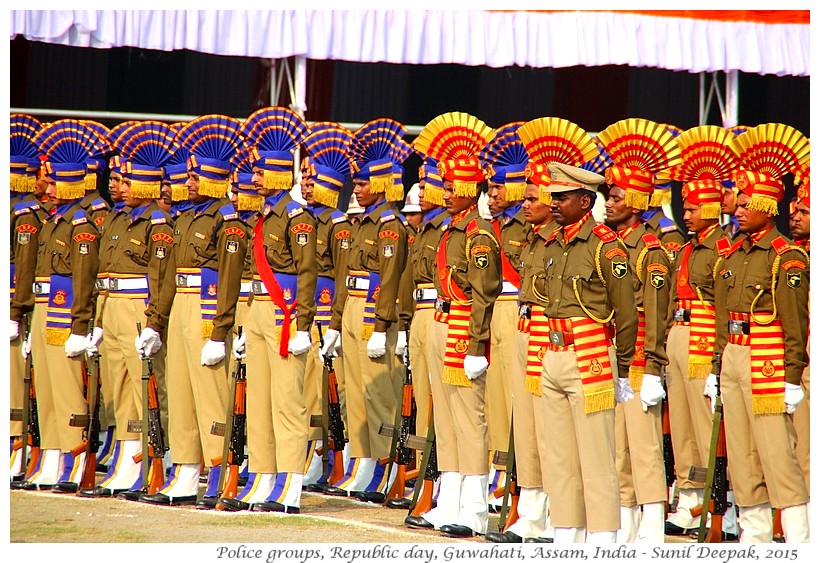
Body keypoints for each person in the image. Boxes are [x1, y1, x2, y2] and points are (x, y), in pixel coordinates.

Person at [139, 115, 246, 506]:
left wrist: (220, 332)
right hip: (181, 307)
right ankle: (185, 472)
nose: (189, 182)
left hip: (205, 310)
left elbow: (230, 280)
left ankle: (218, 471)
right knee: (181, 391)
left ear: (215, 178)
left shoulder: (228, 221)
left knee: (210, 394)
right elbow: (168, 278)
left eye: (196, 176)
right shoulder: (184, 218)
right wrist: (155, 323)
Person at [711, 124, 810, 542]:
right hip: (733, 354)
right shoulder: (733, 254)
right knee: (741, 450)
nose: (738, 209)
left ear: (768, 207)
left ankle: (799, 533)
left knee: (774, 449)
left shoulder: (786, 258)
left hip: (765, 356)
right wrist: (717, 367)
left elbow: (794, 323)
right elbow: (720, 316)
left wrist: (791, 376)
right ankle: (754, 534)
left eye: (747, 204)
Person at [409, 111, 500, 538]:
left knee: (470, 418)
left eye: (449, 187)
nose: (443, 194)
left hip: (465, 328)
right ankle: (451, 499)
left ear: (467, 188)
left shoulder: (478, 234)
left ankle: (476, 506)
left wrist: (478, 346)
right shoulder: (452, 229)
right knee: (445, 418)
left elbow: (484, 293)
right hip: (444, 322)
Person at [539, 161, 638, 543]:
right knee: (560, 454)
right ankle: (567, 531)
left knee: (597, 455)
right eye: (554, 198)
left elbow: (626, 310)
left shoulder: (604, 245)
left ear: (585, 200)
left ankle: (602, 536)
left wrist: (625, 368)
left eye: (562, 198)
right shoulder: (554, 243)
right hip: (553, 351)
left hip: (591, 352)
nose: (555, 204)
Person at [225, 107, 316, 514]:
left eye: (261, 173)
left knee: (285, 400)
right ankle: (263, 475)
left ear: (279, 175)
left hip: (285, 314)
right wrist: (244, 321)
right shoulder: (263, 216)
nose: (254, 178)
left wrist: (304, 325)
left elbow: (309, 272)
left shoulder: (297, 218)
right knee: (259, 399)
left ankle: (291, 482)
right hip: (258, 309)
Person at [78, 122, 177, 498]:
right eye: (117, 179)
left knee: (143, 388)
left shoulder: (157, 222)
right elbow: (103, 271)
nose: (119, 186)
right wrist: (99, 321)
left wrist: (154, 322)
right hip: (112, 306)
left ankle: (148, 463)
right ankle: (125, 457)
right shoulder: (118, 218)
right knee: (118, 389)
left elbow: (160, 276)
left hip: (138, 308)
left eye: (126, 180)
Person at [596, 118, 680, 542]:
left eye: (614, 197)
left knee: (644, 445)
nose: (607, 204)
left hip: (638, 358)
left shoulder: (650, 250)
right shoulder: (611, 243)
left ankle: (651, 524)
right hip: (612, 352)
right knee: (618, 443)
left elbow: (657, 312)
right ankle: (626, 518)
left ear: (634, 199)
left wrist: (651, 367)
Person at [320, 118, 410, 502]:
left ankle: (388, 466)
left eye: (363, 183)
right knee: (354, 391)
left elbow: (389, 280)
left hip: (376, 313)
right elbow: (345, 278)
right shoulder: (361, 224)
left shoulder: (390, 225)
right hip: (353, 307)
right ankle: (365, 463)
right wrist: (337, 323)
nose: (356, 189)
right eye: (355, 183)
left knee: (379, 395)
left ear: (384, 183)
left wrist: (381, 324)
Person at [12, 119, 103, 493]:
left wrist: (80, 327)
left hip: (65, 313)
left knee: (66, 389)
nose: (43, 188)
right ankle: (50, 455)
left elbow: (83, 278)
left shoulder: (79, 224)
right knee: (46, 388)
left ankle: (75, 457)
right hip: (45, 308)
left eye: (51, 183)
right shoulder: (53, 222)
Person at [661, 125, 742, 539]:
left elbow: (724, 305)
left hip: (703, 337)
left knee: (707, 423)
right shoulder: (690, 247)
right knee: (682, 423)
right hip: (678, 333)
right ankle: (689, 495)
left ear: (711, 210)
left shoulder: (722, 250)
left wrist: (716, 359)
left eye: (692, 209)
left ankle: (715, 503)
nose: (685, 214)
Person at [297, 125, 355, 494]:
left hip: (325, 319)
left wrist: (334, 322)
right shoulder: (302, 220)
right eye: (302, 176)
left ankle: (327, 459)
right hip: (306, 317)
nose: (304, 183)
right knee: (305, 391)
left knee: (327, 392)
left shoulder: (337, 225)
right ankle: (311, 457)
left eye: (311, 177)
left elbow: (344, 276)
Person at [479, 122, 529, 508]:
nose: (490, 194)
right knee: (494, 395)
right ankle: (499, 466)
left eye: (496, 188)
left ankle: (516, 473)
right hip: (494, 308)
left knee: (514, 394)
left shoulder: (527, 225)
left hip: (515, 310)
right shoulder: (493, 224)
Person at [394, 157, 448, 512]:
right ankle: (423, 476)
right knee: (421, 401)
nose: (421, 190)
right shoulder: (427, 228)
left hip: (438, 314)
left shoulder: (446, 228)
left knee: (439, 402)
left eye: (428, 184)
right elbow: (407, 278)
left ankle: (439, 477)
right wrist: (402, 323)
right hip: (418, 314)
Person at [9, 114, 48, 479]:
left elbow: (23, 264)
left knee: (18, 378)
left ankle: (20, 445)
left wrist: (16, 309)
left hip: (22, 304)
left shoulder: (26, 214)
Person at [790, 168, 810, 498]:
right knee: (798, 439)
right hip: (799, 356)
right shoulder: (794, 253)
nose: (794, 217)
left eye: (804, 212)